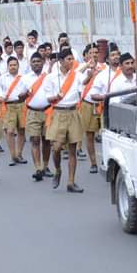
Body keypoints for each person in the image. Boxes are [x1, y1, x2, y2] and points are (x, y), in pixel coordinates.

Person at [44, 47, 84, 192]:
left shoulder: (77, 75)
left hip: (73, 112)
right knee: (56, 147)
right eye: (68, 59)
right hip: (58, 113)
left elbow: (83, 85)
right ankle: (58, 170)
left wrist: (91, 74)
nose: (71, 61)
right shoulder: (51, 78)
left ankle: (71, 182)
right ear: (60, 61)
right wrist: (57, 97)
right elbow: (48, 98)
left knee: (73, 149)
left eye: (72, 59)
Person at [18, 54, 51, 181]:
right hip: (32, 112)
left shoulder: (49, 77)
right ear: (30, 64)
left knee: (47, 141)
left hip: (48, 111)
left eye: (38, 61)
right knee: (35, 139)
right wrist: (24, 94)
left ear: (43, 62)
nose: (36, 63)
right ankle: (38, 168)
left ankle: (46, 166)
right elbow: (20, 96)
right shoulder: (25, 79)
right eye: (34, 62)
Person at [77, 44, 104, 172]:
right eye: (91, 52)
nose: (94, 55)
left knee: (106, 135)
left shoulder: (105, 68)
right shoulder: (81, 68)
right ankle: (93, 163)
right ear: (86, 55)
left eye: (96, 52)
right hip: (88, 104)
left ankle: (106, 161)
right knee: (89, 135)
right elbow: (78, 78)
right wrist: (89, 69)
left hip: (102, 105)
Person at [0, 56, 27, 166]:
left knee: (21, 131)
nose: (13, 67)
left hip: (21, 105)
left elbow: (29, 90)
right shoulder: (2, 78)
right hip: (8, 106)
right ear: (7, 66)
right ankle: (13, 156)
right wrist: (2, 96)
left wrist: (24, 94)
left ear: (18, 66)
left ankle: (19, 154)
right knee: (10, 131)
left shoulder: (24, 78)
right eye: (10, 65)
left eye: (14, 65)